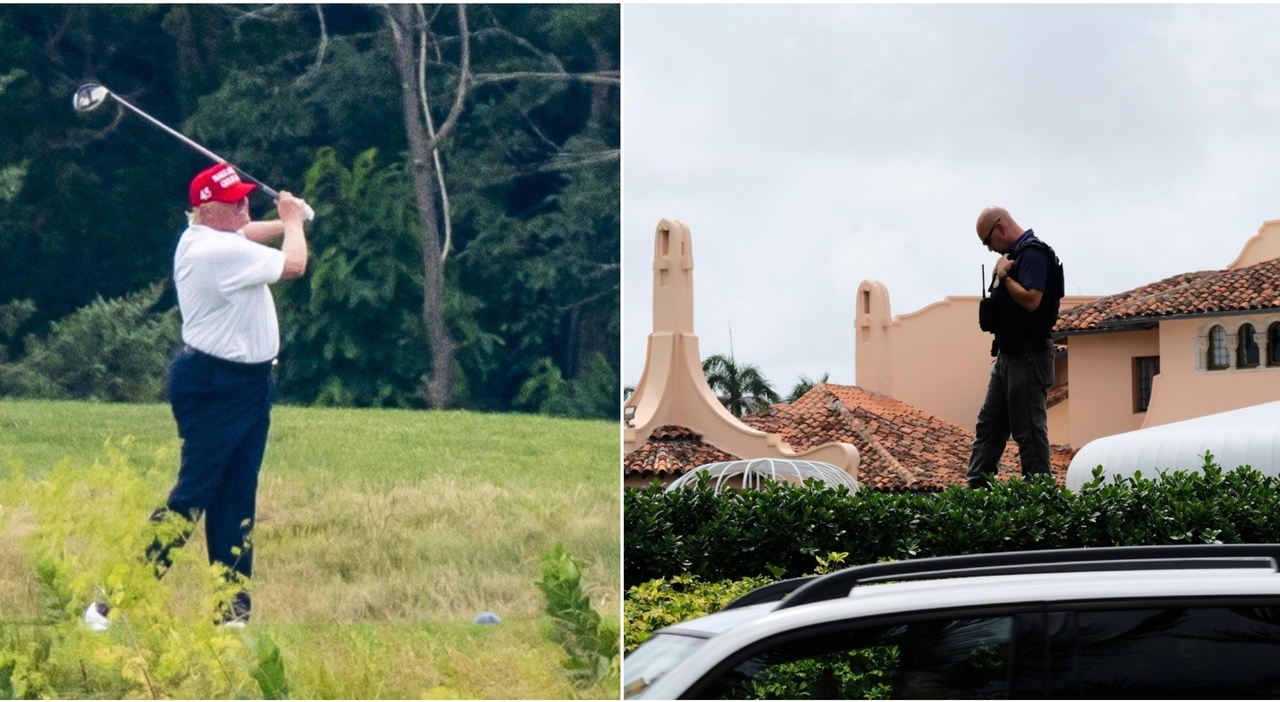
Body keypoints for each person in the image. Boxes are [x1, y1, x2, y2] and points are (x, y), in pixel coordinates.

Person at [84, 164, 309, 629]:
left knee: (236, 497)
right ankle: (107, 606)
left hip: (248, 385)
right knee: (191, 499)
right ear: (208, 211)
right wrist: (290, 222)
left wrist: (292, 220)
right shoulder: (212, 252)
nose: (246, 207)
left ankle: (231, 615)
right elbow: (294, 264)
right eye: (236, 202)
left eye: (247, 198)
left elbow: (246, 231)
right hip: (215, 385)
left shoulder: (210, 236)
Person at [967, 206, 1064, 489]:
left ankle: (1039, 498)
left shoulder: (1033, 254)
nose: (989, 250)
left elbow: (1032, 300)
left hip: (1029, 355)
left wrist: (1006, 277)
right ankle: (975, 495)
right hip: (1007, 356)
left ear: (1000, 228)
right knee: (989, 427)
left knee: (1029, 431)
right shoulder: (1011, 258)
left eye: (987, 242)